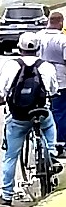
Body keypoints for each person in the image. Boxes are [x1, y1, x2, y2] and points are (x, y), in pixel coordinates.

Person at [0, 32, 62, 206]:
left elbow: (2, 90)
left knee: (10, 156)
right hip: (40, 111)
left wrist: (0, 100)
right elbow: (53, 89)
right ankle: (52, 155)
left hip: (18, 116)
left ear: (19, 48)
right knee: (49, 125)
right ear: (38, 48)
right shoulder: (46, 66)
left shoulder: (11, 65)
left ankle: (7, 194)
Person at [37, 12, 66, 149]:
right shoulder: (62, 40)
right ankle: (59, 142)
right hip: (60, 79)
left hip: (39, 79)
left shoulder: (38, 37)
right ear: (60, 22)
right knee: (59, 111)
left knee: (42, 110)